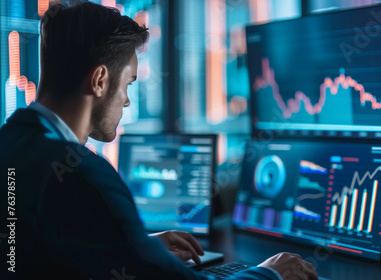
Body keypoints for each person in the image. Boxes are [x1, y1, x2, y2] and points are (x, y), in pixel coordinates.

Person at [0, 2, 318, 280]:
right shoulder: (82, 173)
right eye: (129, 83)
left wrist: (139, 247)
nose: (126, 101)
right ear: (99, 81)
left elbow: (45, 247)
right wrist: (270, 273)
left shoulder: (11, 141)